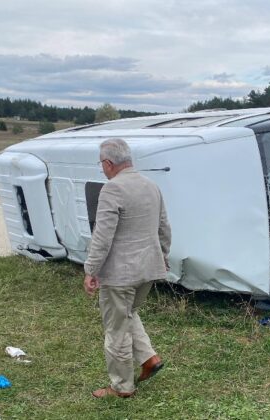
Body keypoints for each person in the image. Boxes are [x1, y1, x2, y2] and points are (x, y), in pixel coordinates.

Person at [83, 138, 171, 398]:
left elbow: (103, 235)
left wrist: (91, 269)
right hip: (149, 269)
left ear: (108, 163)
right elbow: (164, 227)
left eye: (102, 164)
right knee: (128, 314)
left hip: (120, 275)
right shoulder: (151, 186)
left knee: (116, 328)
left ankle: (122, 387)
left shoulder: (112, 189)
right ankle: (149, 358)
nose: (102, 168)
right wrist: (164, 255)